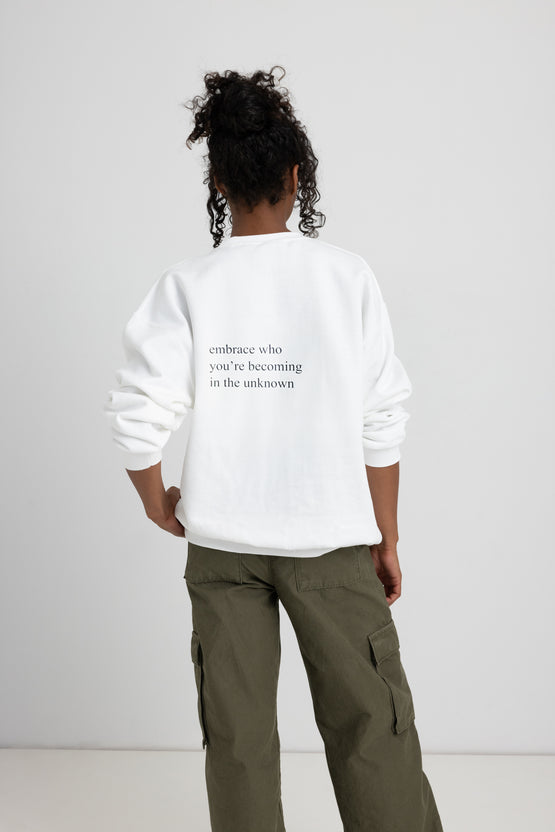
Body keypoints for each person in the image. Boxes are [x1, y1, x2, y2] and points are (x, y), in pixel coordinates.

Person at [103, 65, 444, 832]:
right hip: (329, 543)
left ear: (218, 181)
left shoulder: (187, 286)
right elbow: (381, 417)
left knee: (236, 741)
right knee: (371, 727)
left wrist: (158, 502)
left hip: (221, 548)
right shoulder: (344, 277)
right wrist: (385, 537)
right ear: (296, 175)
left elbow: (136, 414)